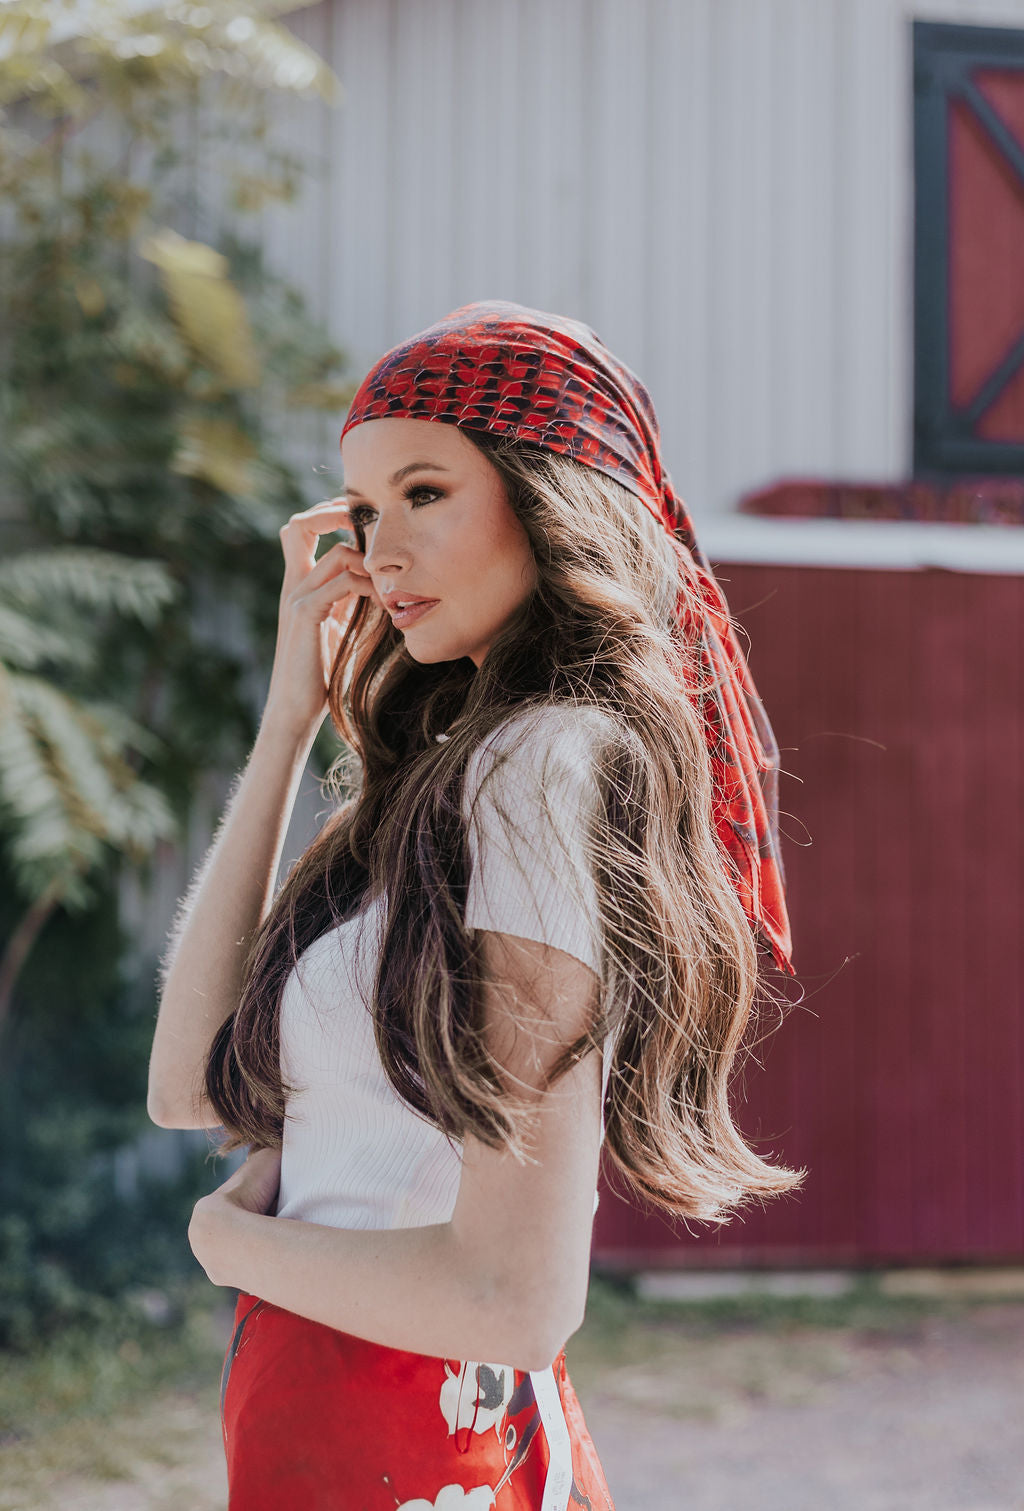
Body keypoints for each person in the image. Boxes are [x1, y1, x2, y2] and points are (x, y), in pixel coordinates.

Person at [148, 300, 804, 1510]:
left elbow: (519, 1297)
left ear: (547, 496)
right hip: (335, 1413)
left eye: (424, 493)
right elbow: (190, 1083)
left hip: (413, 1429)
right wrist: (291, 716)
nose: (377, 551)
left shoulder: (540, 769)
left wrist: (227, 1244)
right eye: (359, 511)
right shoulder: (456, 776)